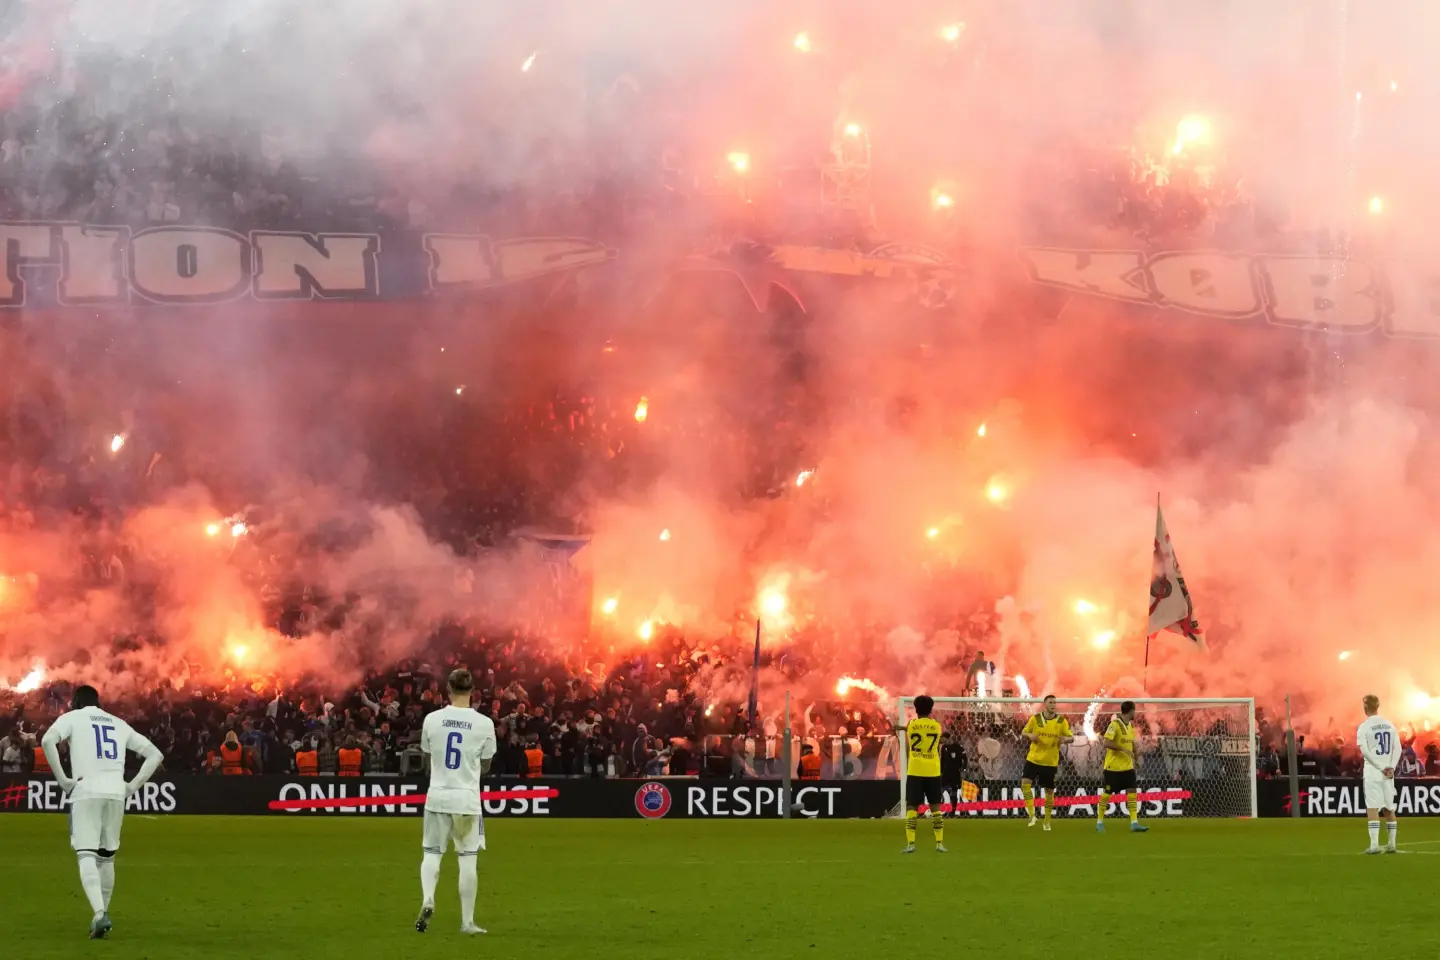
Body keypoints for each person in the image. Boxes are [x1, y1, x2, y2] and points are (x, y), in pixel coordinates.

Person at [40, 684, 164, 940]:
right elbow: (155, 754)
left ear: (75, 701)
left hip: (86, 789)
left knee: (86, 854)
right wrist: (131, 786)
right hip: (116, 792)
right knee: (107, 857)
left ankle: (99, 914)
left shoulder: (72, 718)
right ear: (98, 702)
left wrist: (63, 780)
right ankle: (103, 911)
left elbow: (47, 740)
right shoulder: (117, 723)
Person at [416, 668, 497, 935]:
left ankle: (428, 898)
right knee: (467, 861)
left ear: (447, 690)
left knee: (431, 854)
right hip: (466, 800)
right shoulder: (484, 724)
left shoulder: (432, 719)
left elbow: (427, 759)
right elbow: (485, 766)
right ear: (473, 691)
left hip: (438, 796)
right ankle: (467, 922)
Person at [901, 695, 946, 854]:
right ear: (931, 710)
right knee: (935, 806)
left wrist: (900, 728)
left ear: (916, 709)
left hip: (915, 770)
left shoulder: (912, 724)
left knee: (912, 806)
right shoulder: (936, 726)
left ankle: (911, 843)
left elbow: (910, 731)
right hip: (933, 770)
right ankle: (939, 843)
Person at [1357, 694, 1401, 854]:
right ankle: (1392, 844)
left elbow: (1365, 752)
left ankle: (1374, 845)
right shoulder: (1390, 725)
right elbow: (1398, 749)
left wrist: (1380, 767)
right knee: (1389, 808)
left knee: (1373, 808)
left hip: (1373, 773)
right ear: (1378, 706)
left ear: (1365, 707)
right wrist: (1391, 767)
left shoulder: (1364, 727)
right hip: (1388, 774)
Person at [1021, 694, 1072, 831]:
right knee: (1025, 783)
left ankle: (1047, 821)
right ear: (1045, 704)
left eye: (1055, 702)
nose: (1053, 705)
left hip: (1050, 762)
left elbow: (1071, 737)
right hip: (1033, 758)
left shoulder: (1061, 721)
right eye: (1051, 702)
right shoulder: (1035, 719)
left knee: (1049, 792)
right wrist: (1030, 735)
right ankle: (1032, 815)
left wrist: (1065, 739)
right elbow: (1023, 733)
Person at [1096, 700, 1148, 833]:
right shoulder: (1115, 725)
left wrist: (1136, 755)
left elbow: (1131, 744)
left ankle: (1134, 822)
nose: (1135, 713)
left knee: (1132, 792)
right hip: (1113, 767)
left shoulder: (1130, 726)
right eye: (1134, 710)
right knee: (1107, 794)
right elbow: (1106, 742)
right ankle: (1100, 822)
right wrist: (1123, 750)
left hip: (1127, 767)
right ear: (1130, 711)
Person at [939, 732, 967, 818]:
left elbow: (965, 759)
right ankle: (941, 810)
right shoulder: (944, 747)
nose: (941, 740)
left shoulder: (958, 747)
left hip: (955, 773)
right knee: (942, 791)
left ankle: (953, 811)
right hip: (945, 774)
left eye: (943, 738)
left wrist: (963, 769)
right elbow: (942, 761)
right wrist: (940, 772)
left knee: (954, 792)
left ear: (947, 738)